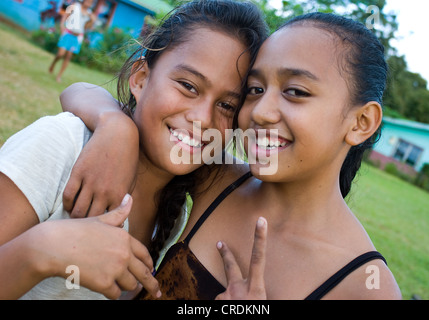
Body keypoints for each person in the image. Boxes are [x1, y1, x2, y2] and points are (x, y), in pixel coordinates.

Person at [61, 12, 402, 300]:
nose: (261, 112)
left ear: (361, 122)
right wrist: (115, 125)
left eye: (295, 92)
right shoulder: (218, 178)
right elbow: (77, 91)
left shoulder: (366, 284)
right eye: (255, 90)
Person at [0, 0, 267, 299]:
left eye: (227, 105)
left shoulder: (174, 209)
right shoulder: (63, 145)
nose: (203, 118)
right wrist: (42, 251)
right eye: (188, 86)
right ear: (140, 78)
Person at [48, 0, 96, 82]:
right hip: (68, 34)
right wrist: (62, 24)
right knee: (60, 54)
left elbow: (86, 27)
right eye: (87, 1)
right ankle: (53, 63)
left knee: (68, 56)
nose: (88, 3)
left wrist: (92, 21)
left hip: (77, 38)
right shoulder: (76, 5)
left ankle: (59, 76)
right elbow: (66, 13)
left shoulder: (89, 13)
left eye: (90, 3)